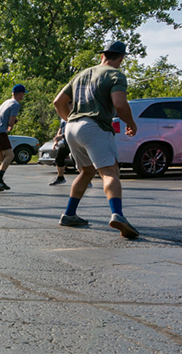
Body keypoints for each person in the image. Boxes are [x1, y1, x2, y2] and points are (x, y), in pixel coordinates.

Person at [52, 41, 140, 239]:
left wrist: (72, 121)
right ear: (121, 58)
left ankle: (70, 214)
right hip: (95, 127)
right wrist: (131, 123)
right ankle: (118, 215)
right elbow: (120, 104)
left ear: (102, 56)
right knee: (110, 172)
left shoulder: (81, 74)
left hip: (71, 128)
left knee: (86, 171)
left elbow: (58, 102)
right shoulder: (116, 75)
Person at [0, 84, 26, 191]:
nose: (23, 96)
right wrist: (11, 126)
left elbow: (3, 116)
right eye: (23, 94)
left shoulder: (7, 102)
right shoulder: (16, 104)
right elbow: (10, 121)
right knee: (10, 155)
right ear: (21, 93)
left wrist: (11, 121)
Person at [49, 120, 69, 185]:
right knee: (59, 159)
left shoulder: (75, 114)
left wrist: (62, 135)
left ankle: (87, 181)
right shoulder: (63, 118)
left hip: (74, 141)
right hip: (65, 142)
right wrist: (56, 141)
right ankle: (60, 178)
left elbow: (75, 130)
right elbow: (60, 129)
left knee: (78, 160)